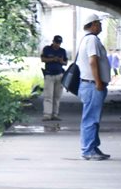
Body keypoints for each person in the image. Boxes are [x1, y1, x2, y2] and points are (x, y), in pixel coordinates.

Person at [74, 13, 111, 161]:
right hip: (92, 85)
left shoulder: (87, 39)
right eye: (99, 23)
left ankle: (93, 146)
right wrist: (98, 82)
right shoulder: (92, 40)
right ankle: (88, 150)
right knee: (90, 118)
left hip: (89, 84)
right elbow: (93, 62)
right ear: (93, 24)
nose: (101, 26)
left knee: (94, 118)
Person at [39, 35, 67, 121]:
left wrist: (61, 61)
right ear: (53, 41)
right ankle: (47, 114)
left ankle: (55, 114)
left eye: (59, 43)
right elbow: (43, 59)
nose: (57, 44)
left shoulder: (62, 51)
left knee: (57, 96)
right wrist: (52, 59)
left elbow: (65, 62)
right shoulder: (47, 49)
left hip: (59, 75)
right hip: (49, 74)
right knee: (48, 96)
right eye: (56, 42)